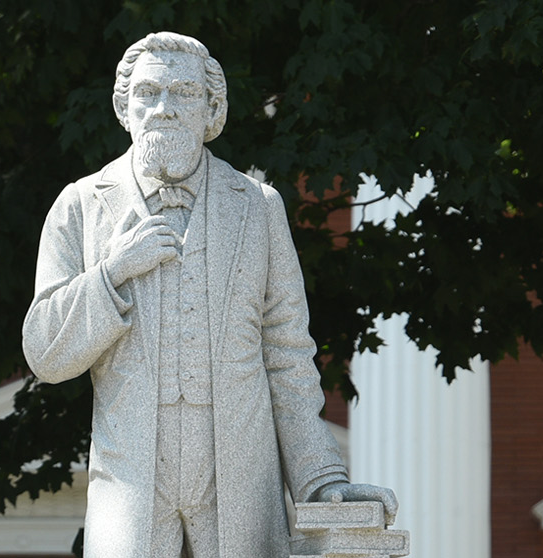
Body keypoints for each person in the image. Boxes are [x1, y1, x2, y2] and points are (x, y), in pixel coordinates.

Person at [21, 32, 397, 558]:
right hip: (131, 476)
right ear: (123, 109)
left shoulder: (258, 207)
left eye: (183, 93)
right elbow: (45, 353)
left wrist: (321, 478)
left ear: (212, 111)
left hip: (238, 473)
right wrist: (112, 272)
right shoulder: (81, 205)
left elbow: (287, 356)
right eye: (148, 93)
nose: (164, 108)